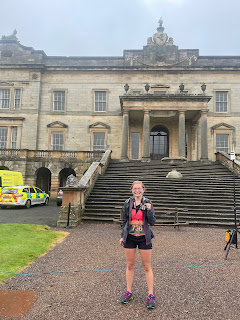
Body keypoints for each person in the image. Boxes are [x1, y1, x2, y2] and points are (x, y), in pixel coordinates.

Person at [119, 180, 156, 309]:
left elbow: (152, 222)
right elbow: (124, 221)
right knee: (130, 265)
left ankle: (151, 295)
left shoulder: (148, 203)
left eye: (139, 188)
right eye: (135, 189)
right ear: (132, 190)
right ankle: (128, 291)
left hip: (143, 237)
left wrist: (150, 211)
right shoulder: (128, 203)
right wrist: (122, 236)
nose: (137, 191)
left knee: (147, 266)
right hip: (130, 237)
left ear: (143, 190)